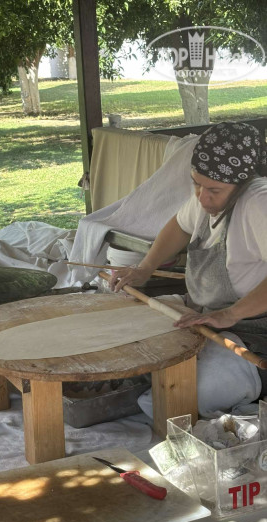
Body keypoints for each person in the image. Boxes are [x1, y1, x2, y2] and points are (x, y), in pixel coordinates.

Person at [109, 121, 267, 417]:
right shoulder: (208, 196)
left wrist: (230, 314)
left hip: (253, 333)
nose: (202, 197)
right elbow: (180, 226)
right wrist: (145, 268)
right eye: (196, 184)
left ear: (243, 182)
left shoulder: (259, 201)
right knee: (122, 335)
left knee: (192, 393)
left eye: (214, 190)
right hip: (204, 317)